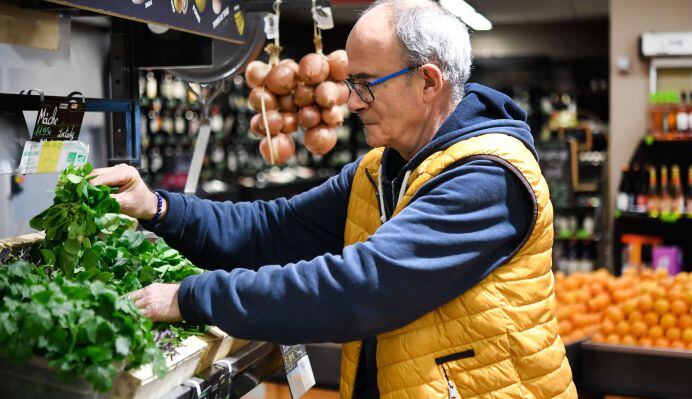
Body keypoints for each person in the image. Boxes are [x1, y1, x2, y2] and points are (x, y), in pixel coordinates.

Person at [90, 0, 576, 397]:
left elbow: (362, 287)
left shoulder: (488, 178)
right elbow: (273, 230)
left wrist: (192, 297)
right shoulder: (380, 169)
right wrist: (158, 206)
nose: (352, 101)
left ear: (428, 82)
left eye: (366, 84)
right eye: (350, 83)